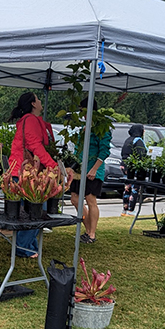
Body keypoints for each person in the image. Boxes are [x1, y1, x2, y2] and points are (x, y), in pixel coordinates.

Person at [8, 92, 56, 258]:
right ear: (33, 104)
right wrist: (52, 165)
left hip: (21, 171)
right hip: (25, 172)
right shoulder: (30, 120)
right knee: (36, 210)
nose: (41, 101)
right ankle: (23, 247)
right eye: (38, 99)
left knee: (28, 211)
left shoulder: (29, 120)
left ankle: (30, 246)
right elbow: (35, 145)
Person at [66, 99, 111, 244]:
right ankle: (88, 229)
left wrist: (94, 169)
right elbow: (79, 150)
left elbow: (104, 151)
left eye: (83, 110)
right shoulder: (84, 128)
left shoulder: (102, 128)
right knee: (75, 199)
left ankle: (92, 233)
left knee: (91, 199)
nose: (82, 114)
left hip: (93, 169)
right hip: (80, 168)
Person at [120, 123, 147, 216]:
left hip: (124, 166)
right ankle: (131, 210)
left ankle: (125, 209)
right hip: (133, 166)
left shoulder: (128, 140)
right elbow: (141, 154)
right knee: (135, 188)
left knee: (127, 188)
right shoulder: (138, 140)